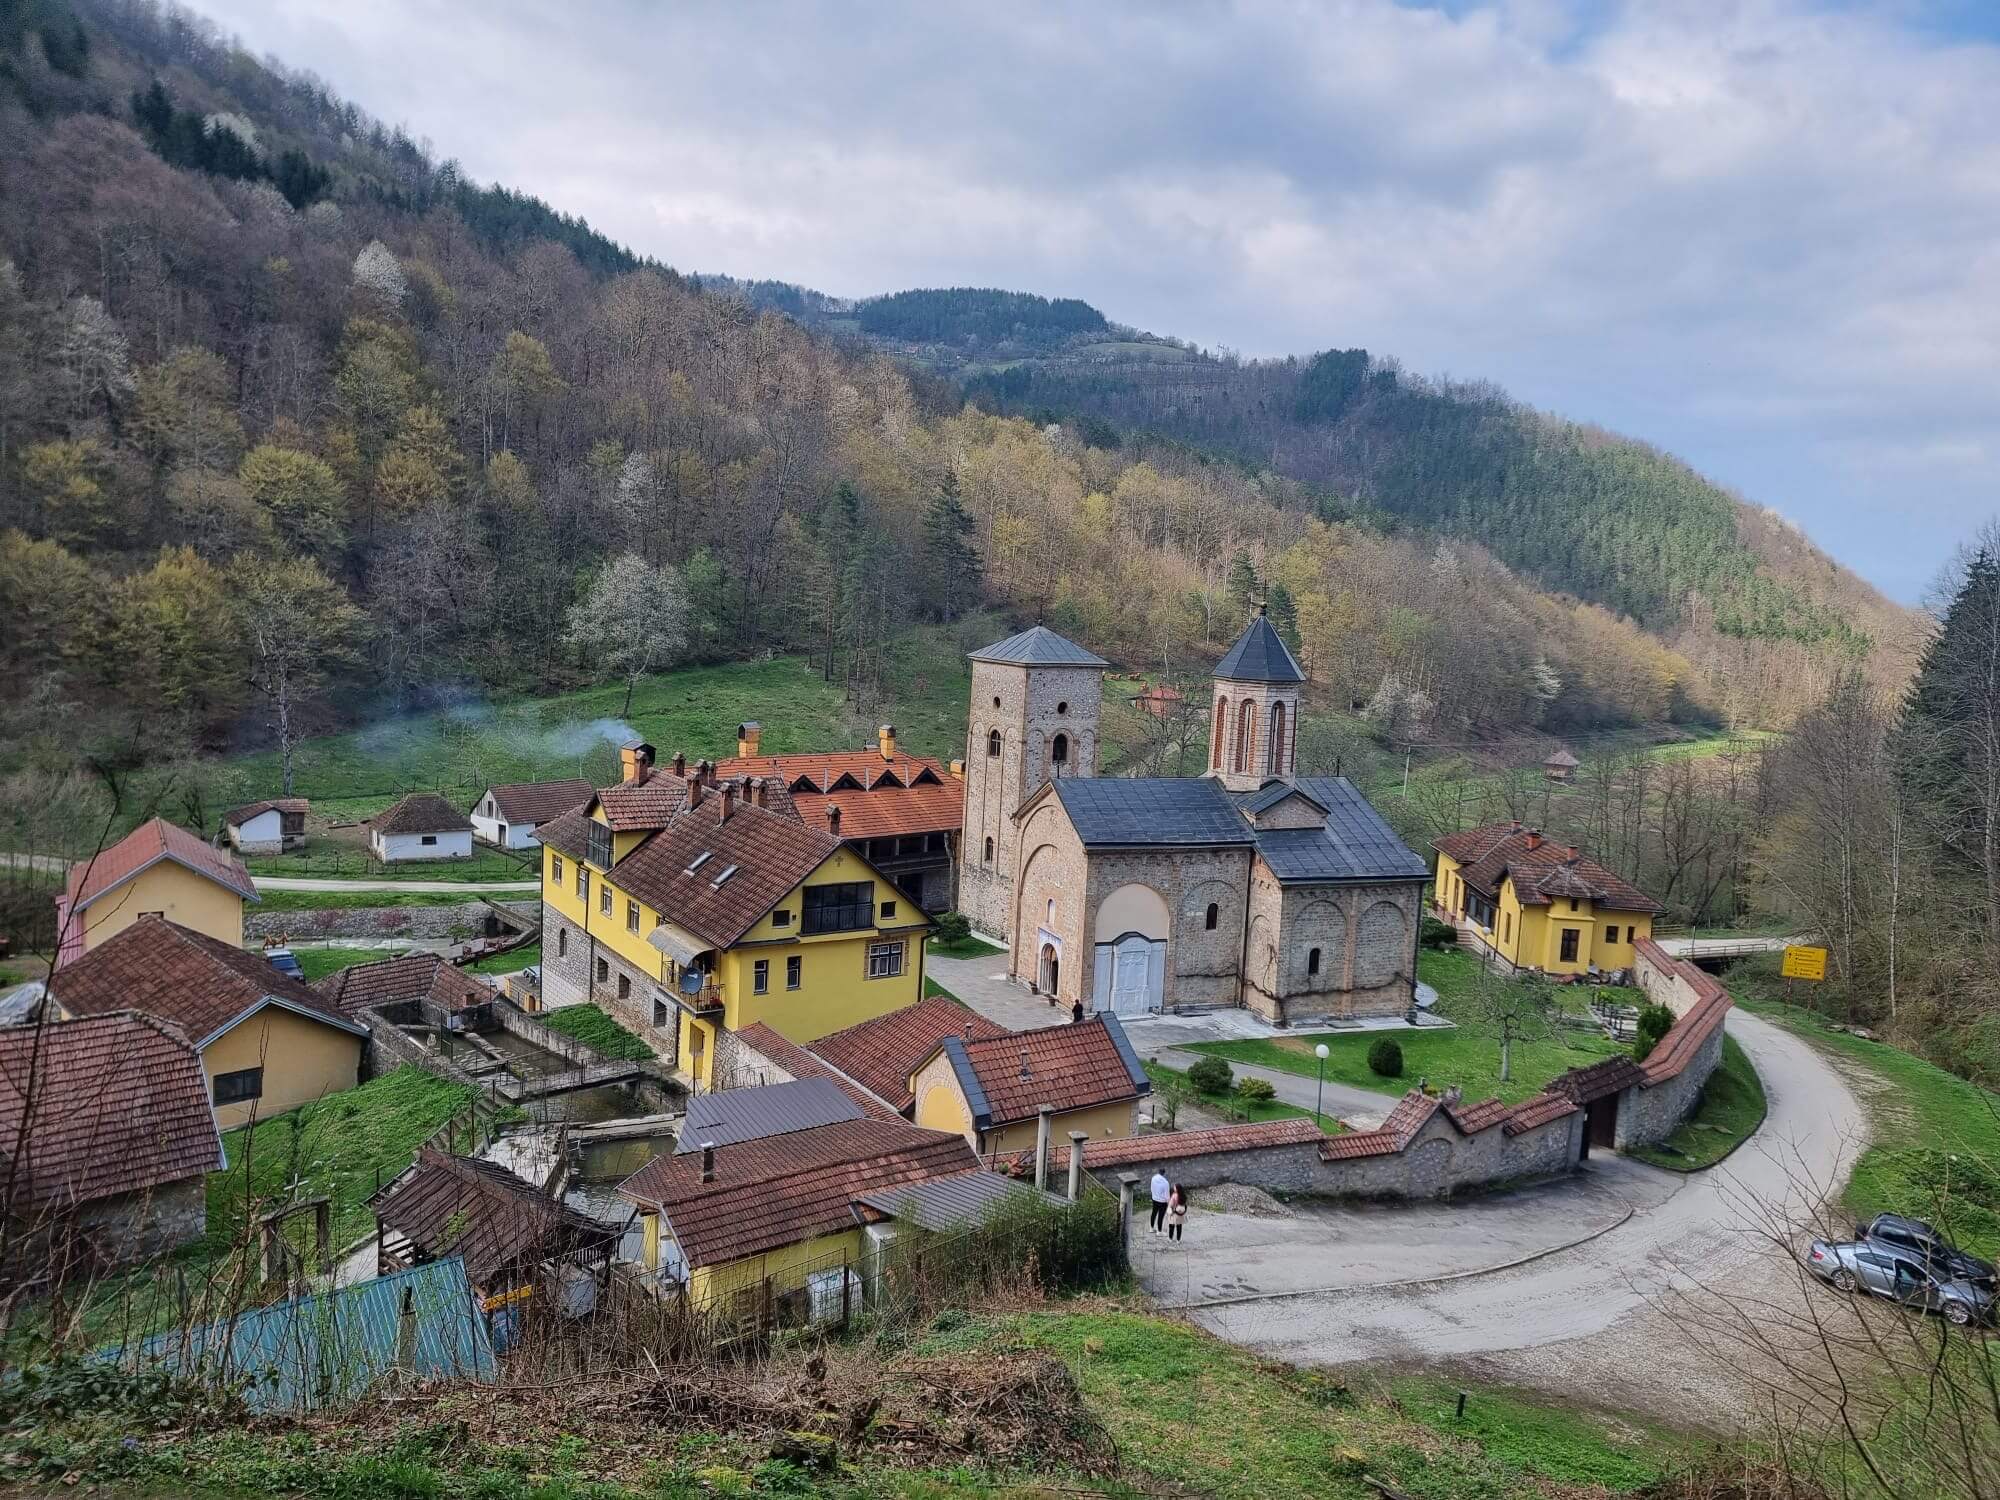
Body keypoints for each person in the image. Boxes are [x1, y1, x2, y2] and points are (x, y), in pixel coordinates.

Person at [1148, 1168, 1170, 1233]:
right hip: (1162, 1202)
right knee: (1160, 1216)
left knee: (1153, 1213)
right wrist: (1168, 1203)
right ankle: (1159, 1231)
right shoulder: (1165, 1182)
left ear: (1158, 1172)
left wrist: (1153, 1196)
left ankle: (1151, 1228)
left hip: (1155, 1199)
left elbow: (1152, 1188)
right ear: (1164, 1173)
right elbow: (1167, 1194)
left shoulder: (1153, 1178)